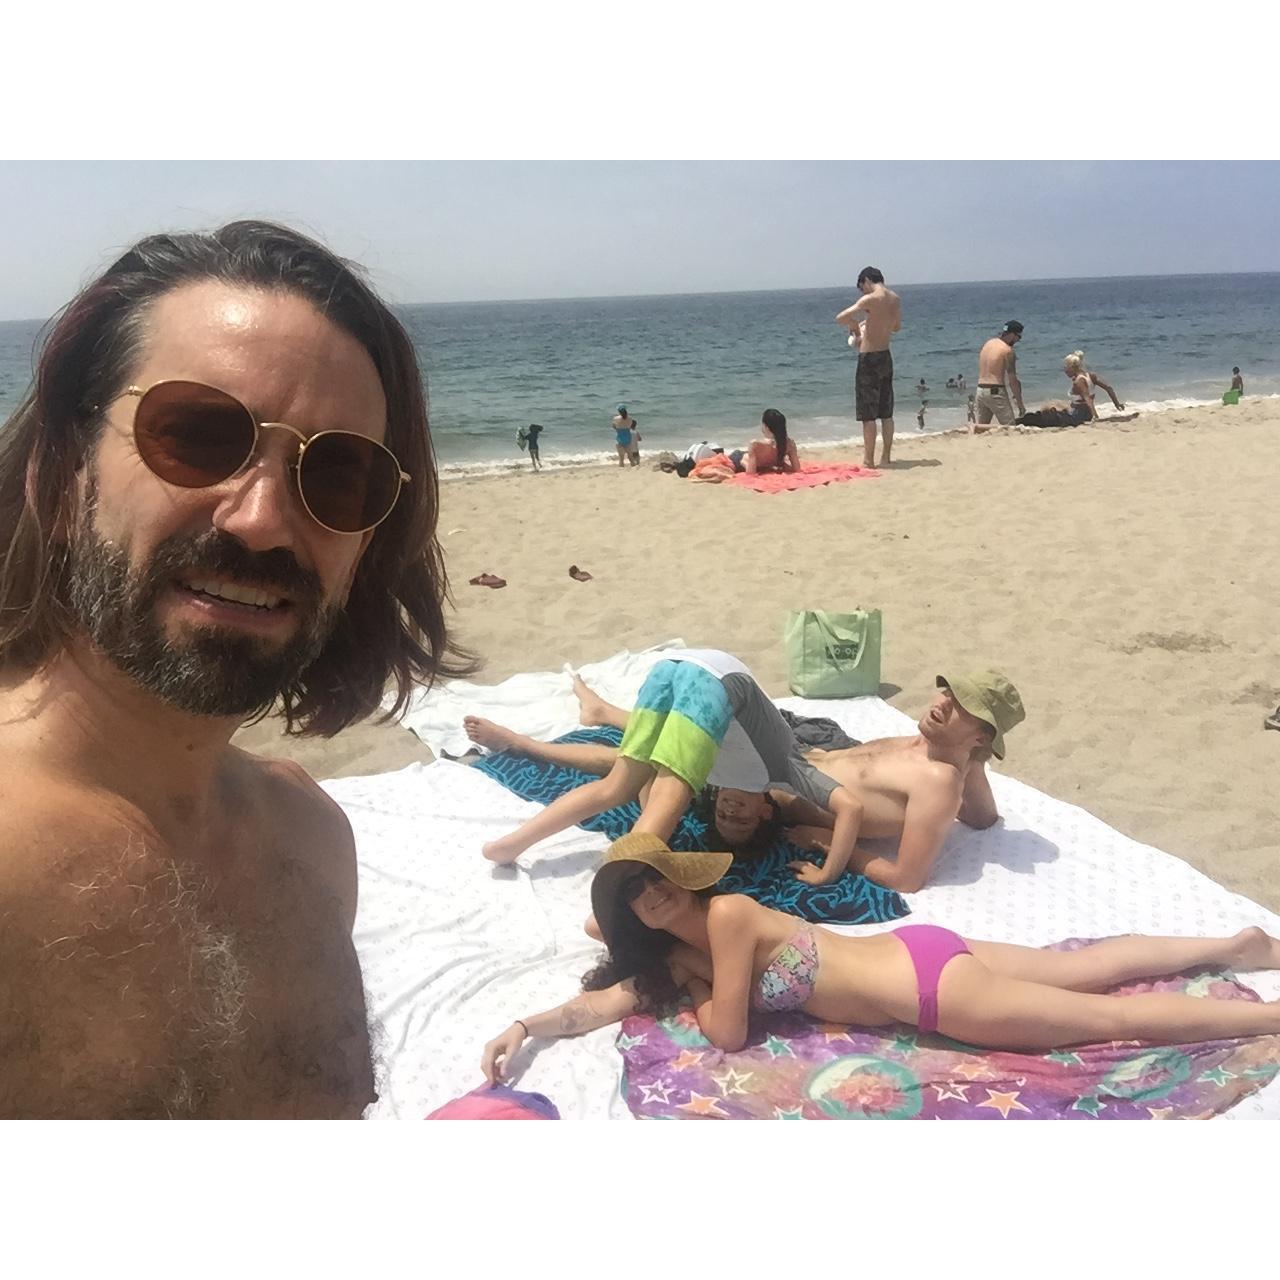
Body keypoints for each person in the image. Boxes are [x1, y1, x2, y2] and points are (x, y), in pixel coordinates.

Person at [0, 220, 470, 1119]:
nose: (261, 518)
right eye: (199, 434)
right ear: (63, 479)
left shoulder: (315, 844)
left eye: (338, 477)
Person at [480, 833, 1280, 1080]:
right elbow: (607, 1001)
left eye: (652, 883)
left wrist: (692, 990)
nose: (647, 898)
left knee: (1113, 1015)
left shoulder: (724, 917)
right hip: (920, 953)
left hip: (932, 993)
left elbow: (727, 1033)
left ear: (678, 878)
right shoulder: (687, 949)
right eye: (631, 899)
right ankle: (1234, 945)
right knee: (1090, 965)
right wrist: (529, 1024)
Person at [476, 667, 1022, 895]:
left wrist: (834, 845)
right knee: (682, 742)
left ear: (981, 736)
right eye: (949, 692)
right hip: (791, 762)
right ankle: (607, 716)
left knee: (663, 763)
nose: (943, 703)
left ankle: (533, 742)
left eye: (963, 707)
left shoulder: (937, 781)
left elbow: (906, 879)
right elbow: (984, 819)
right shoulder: (941, 756)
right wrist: (976, 766)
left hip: (777, 796)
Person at [478, 649, 864, 887]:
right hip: (717, 681)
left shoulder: (713, 774)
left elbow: (643, 785)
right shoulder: (785, 770)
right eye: (742, 819)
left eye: (725, 818)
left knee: (616, 787)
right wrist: (828, 872)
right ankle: (613, 903)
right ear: (766, 810)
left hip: (669, 669)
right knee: (668, 799)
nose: (730, 811)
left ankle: (508, 846)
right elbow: (852, 807)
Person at [836, 267, 901, 468]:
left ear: (866, 281)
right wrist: (871, 324)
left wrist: (855, 325)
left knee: (868, 414)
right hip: (885, 355)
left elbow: (840, 318)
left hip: (869, 358)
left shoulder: (870, 299)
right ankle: (886, 456)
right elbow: (896, 327)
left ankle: (868, 460)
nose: (862, 293)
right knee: (886, 412)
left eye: (862, 288)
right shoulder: (895, 298)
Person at [973, 321, 1026, 431]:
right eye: (1018, 337)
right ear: (1012, 334)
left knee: (982, 428)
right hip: (995, 391)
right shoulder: (1007, 351)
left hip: (980, 390)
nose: (1017, 341)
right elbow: (1012, 379)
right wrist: (1020, 404)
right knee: (1010, 427)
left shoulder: (988, 344)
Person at [743, 408, 799, 475]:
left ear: (766, 427)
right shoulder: (790, 443)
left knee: (740, 455)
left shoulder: (755, 444)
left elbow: (750, 473)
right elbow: (797, 469)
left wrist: (744, 463)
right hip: (770, 463)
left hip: (747, 461)